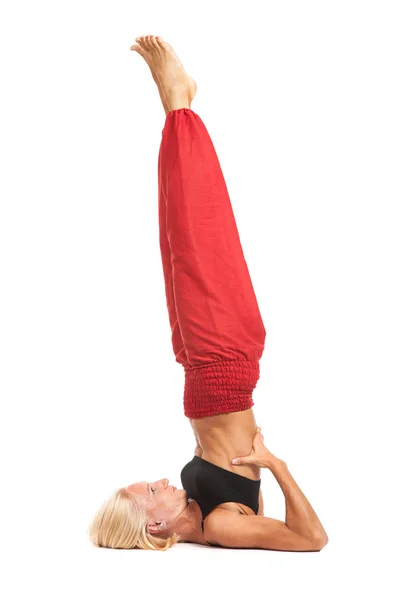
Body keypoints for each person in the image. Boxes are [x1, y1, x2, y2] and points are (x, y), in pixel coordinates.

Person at [88, 35, 328, 552]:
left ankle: (179, 108)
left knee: (175, 236)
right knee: (201, 231)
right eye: (152, 490)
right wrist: (276, 466)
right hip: (227, 356)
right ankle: (179, 103)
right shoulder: (222, 525)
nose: (161, 480)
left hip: (197, 362)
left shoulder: (198, 513)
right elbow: (312, 540)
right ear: (155, 525)